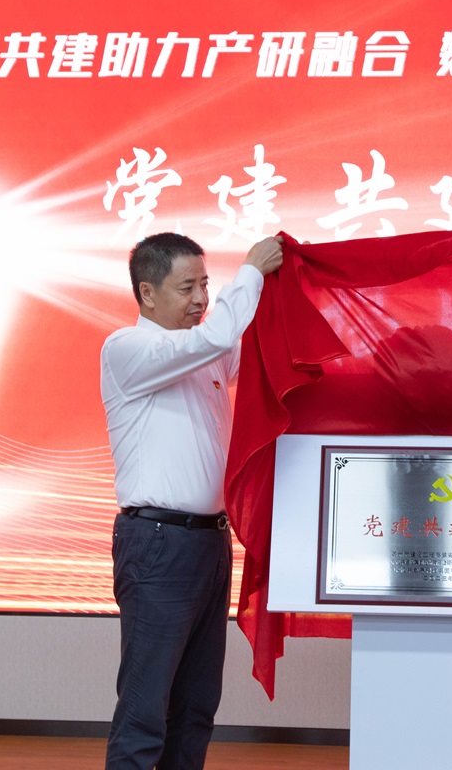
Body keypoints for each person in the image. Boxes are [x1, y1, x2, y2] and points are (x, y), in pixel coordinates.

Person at [101, 231, 283, 769]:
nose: (202, 299)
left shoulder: (202, 353)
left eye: (206, 285)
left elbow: (255, 352)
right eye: (188, 288)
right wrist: (251, 270)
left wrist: (285, 291)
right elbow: (218, 336)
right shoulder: (127, 349)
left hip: (208, 545)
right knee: (145, 710)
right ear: (147, 292)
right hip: (157, 544)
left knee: (196, 707)